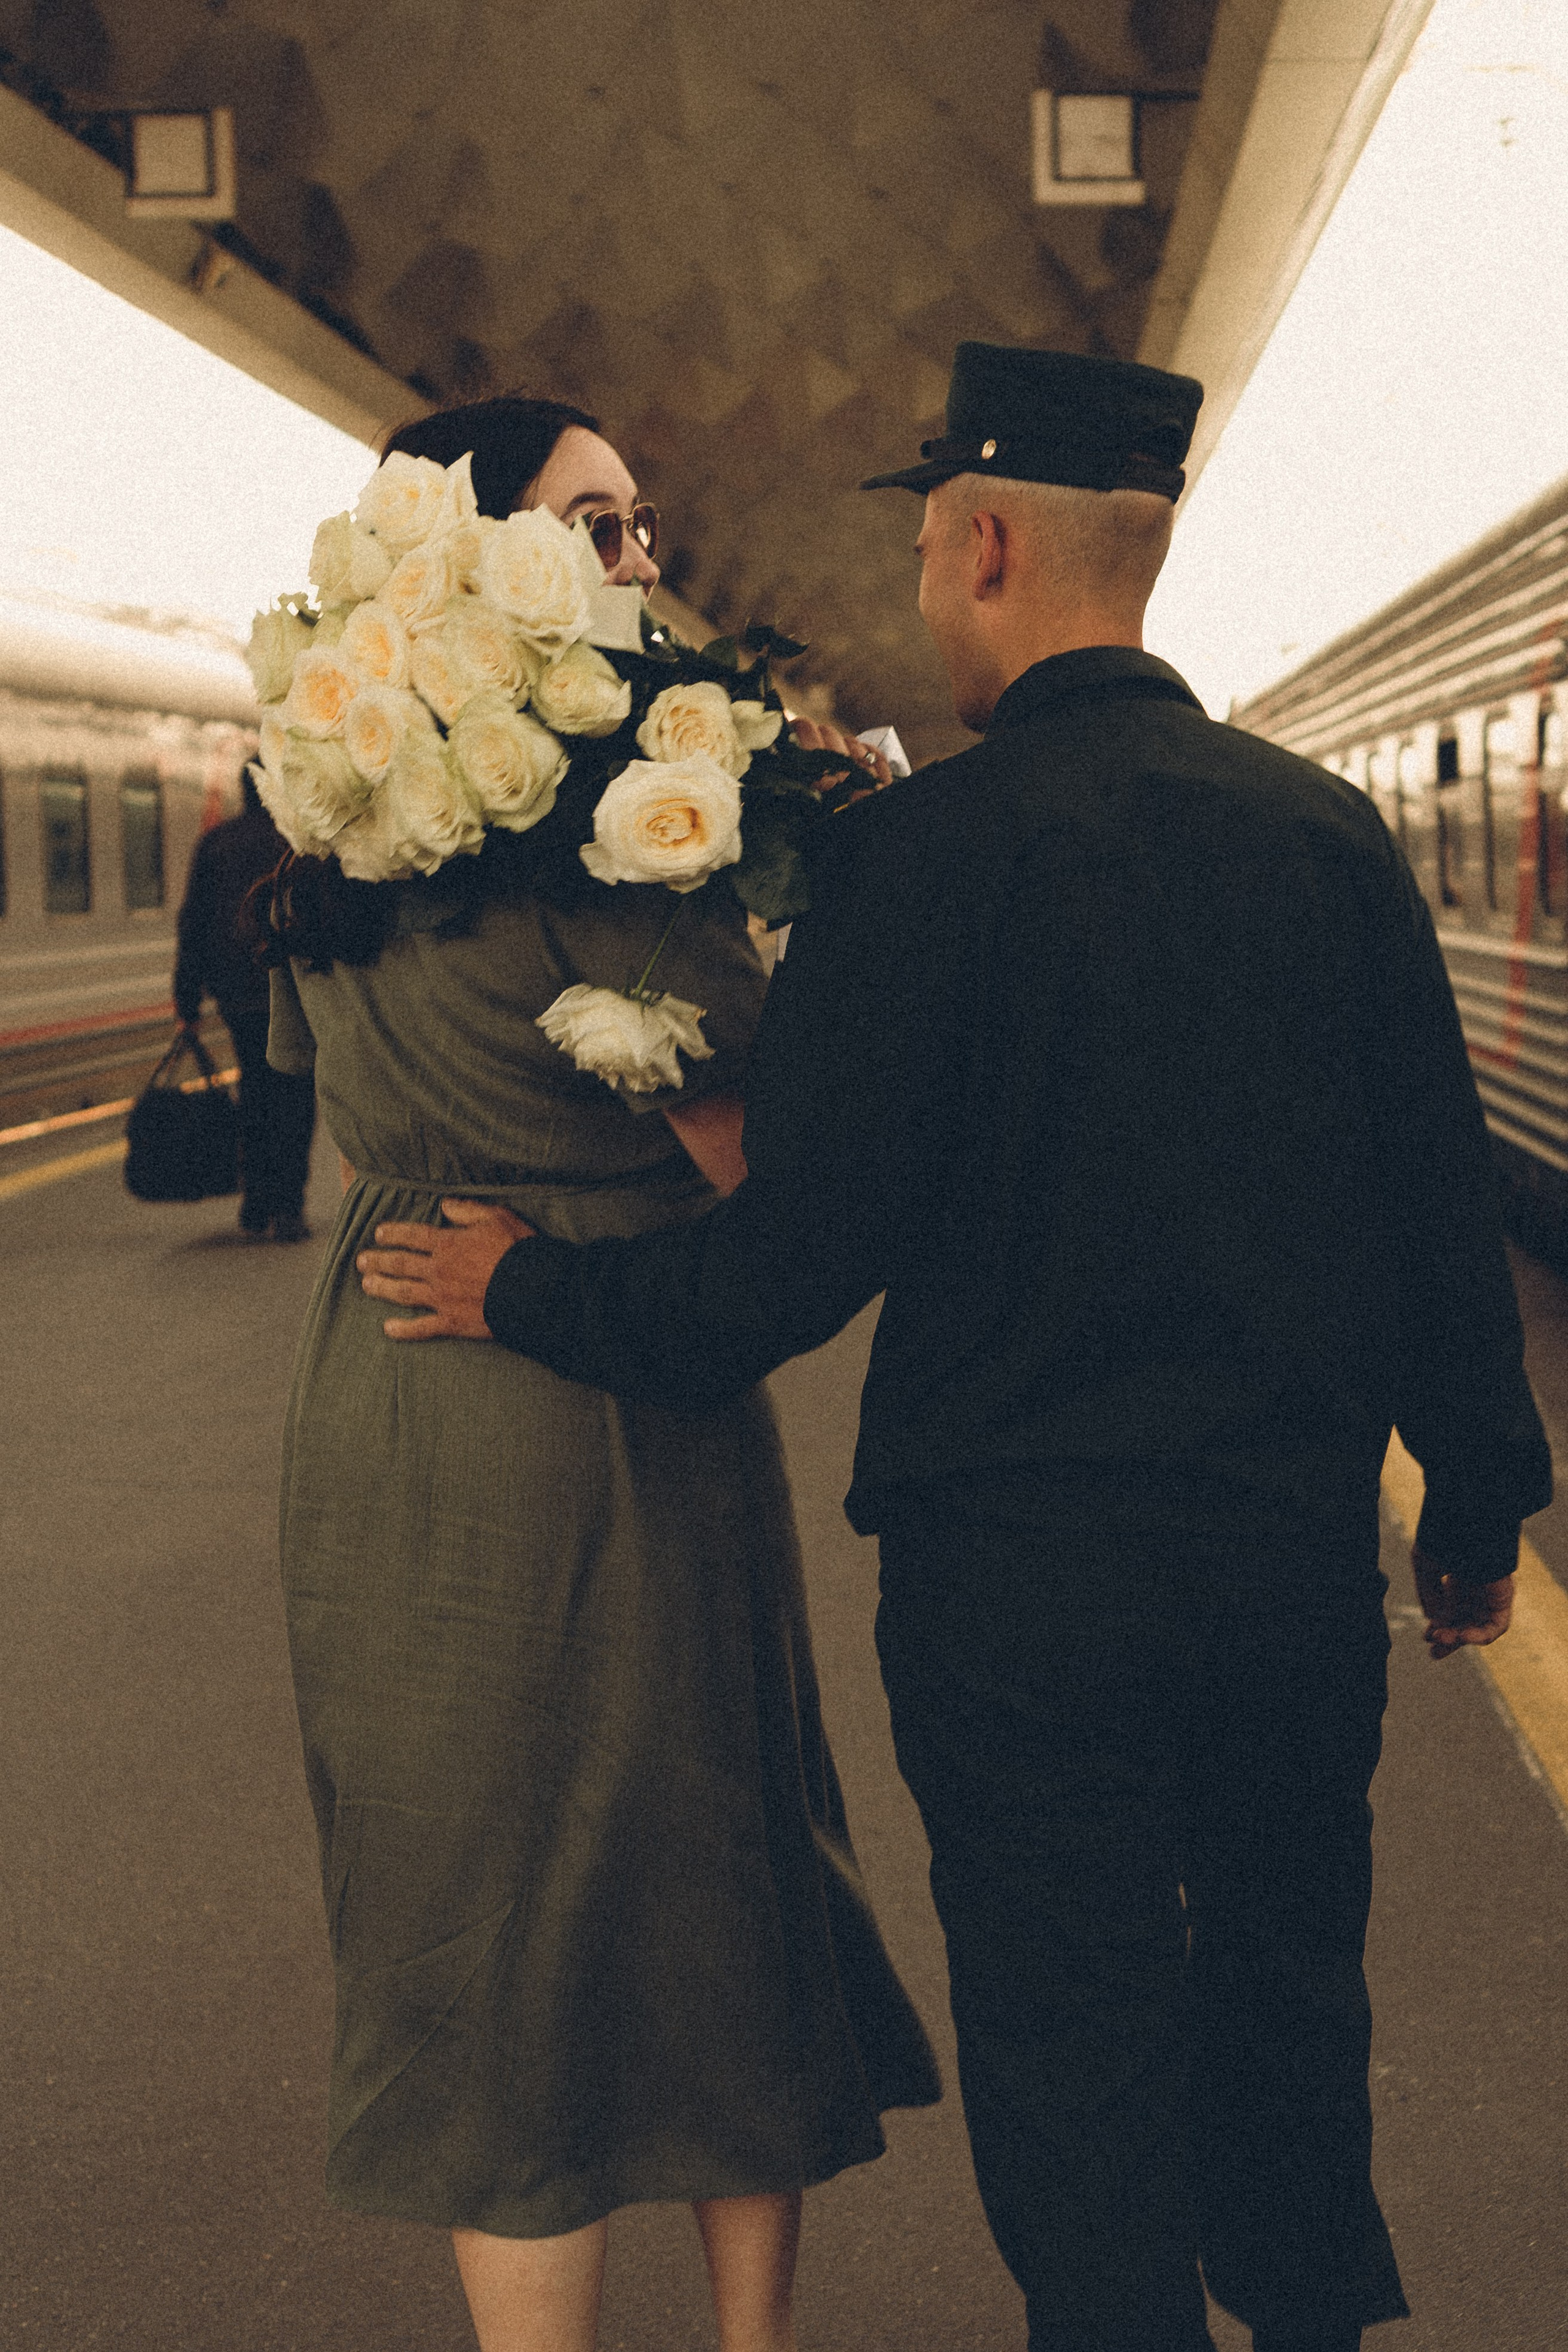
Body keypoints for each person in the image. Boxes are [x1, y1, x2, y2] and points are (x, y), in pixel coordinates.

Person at [356, 344, 1554, 2352]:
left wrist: (531, 1290)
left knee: (1069, 2040)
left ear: (986, 544)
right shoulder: (1323, 843)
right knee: (1285, 1991)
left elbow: (787, 1271)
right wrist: (1479, 1519)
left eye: (924, 548)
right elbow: (1434, 1214)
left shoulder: (920, 869)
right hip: (1276, 1569)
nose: (921, 587)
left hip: (1017, 1597)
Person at [266, 391, 936, 2352]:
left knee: (470, 1909)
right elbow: (755, 1161)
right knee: (708, 1873)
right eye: (603, 527)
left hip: (389, 1380)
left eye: (641, 526)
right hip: (615, 1388)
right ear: (492, 567)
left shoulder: (330, 818)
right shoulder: (645, 861)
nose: (645, 561)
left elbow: (338, 1091)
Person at [172, 767, 315, 1238]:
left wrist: (187, 998)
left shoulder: (217, 843)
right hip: (295, 988)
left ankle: (257, 1204)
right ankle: (290, 1206)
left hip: (239, 994)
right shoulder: (296, 840)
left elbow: (193, 921)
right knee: (294, 1093)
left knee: (255, 1089)